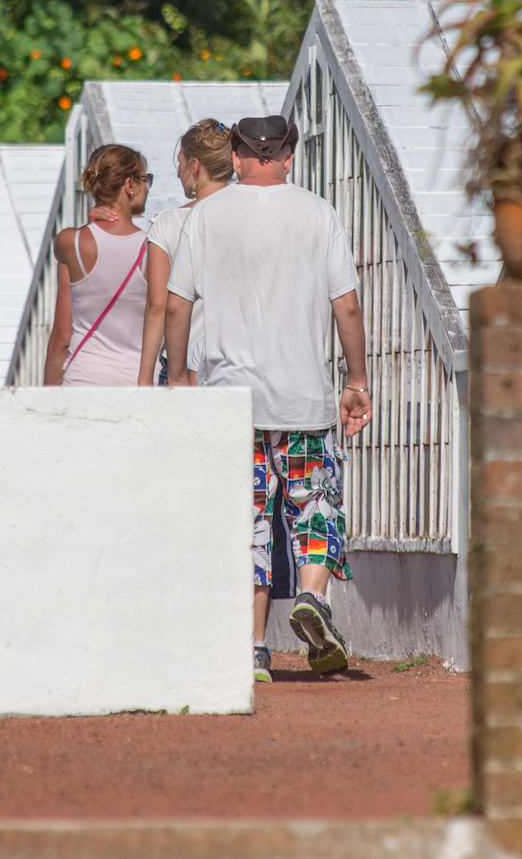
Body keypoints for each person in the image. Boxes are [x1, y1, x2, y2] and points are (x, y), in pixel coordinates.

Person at [164, 115, 370, 682]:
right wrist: (356, 380)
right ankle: (312, 597)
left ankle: (253, 647)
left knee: (248, 519)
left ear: (235, 157)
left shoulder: (205, 216)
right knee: (314, 504)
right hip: (303, 399)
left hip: (232, 403)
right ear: (289, 156)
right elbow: (346, 305)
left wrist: (179, 374)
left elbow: (177, 305)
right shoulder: (317, 212)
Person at [43, 144, 151, 387]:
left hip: (85, 379)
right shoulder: (154, 248)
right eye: (145, 180)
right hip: (139, 382)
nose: (147, 188)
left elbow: (62, 336)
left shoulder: (72, 243)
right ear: (129, 186)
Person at [137, 119, 234, 387]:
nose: (178, 172)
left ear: (195, 166)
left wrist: (145, 377)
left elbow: (159, 307)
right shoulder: (250, 217)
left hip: (182, 367)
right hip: (239, 365)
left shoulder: (168, 223)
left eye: (180, 162)